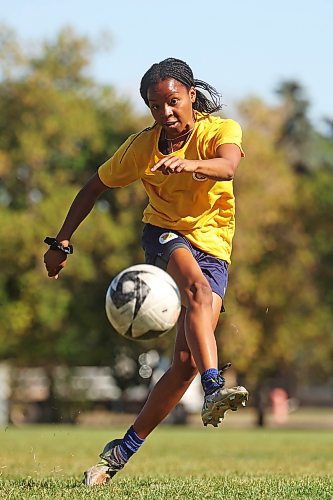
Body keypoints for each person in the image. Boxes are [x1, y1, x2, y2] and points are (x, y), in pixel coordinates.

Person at [43, 57, 249, 486]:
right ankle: (215, 388)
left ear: (191, 96)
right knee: (194, 290)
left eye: (173, 102)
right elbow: (93, 186)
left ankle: (118, 453)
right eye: (156, 107)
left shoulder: (221, 130)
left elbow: (228, 167)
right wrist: (62, 241)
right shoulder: (142, 147)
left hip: (214, 247)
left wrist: (190, 164)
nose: (166, 114)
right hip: (163, 234)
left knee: (186, 363)